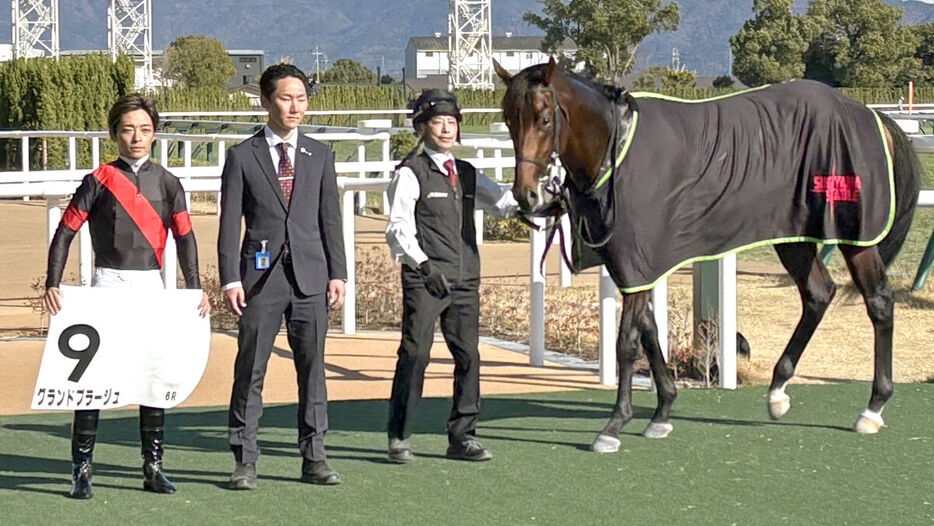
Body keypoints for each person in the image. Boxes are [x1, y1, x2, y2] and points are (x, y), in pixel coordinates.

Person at [43, 93, 211, 499]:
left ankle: (153, 467)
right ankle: (81, 470)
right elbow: (65, 232)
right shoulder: (98, 179)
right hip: (107, 287)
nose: (137, 137)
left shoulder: (169, 183)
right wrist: (52, 281)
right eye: (128, 129)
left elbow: (186, 239)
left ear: (154, 134)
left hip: (152, 287)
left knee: (153, 377)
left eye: (145, 130)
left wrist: (193, 289)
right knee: (91, 382)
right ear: (115, 133)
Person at [218, 64, 346, 490]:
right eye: (286, 98)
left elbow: (331, 220)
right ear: (265, 101)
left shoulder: (320, 155)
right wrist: (230, 279)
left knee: (312, 371)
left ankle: (315, 457)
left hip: (311, 278)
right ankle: (244, 459)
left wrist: (338, 273)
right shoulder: (241, 156)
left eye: (301, 98)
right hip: (259, 281)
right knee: (250, 369)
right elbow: (228, 225)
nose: (295, 107)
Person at [385, 88, 518, 463]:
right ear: (422, 127)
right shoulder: (410, 174)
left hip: (464, 281)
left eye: (452, 122)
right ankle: (400, 436)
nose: (446, 129)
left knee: (469, 358)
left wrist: (542, 197)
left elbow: (504, 204)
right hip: (425, 279)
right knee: (415, 355)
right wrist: (423, 265)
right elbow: (397, 228)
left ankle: (463, 436)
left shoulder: (467, 173)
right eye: (438, 122)